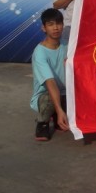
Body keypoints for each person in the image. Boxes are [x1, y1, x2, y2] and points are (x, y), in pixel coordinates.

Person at [31, 8, 69, 142]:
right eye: (51, 24)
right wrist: (59, 110)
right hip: (46, 95)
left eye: (58, 23)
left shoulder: (67, 45)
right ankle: (42, 123)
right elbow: (50, 83)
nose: (56, 28)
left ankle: (58, 115)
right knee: (49, 98)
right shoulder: (40, 53)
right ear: (44, 28)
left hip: (66, 93)